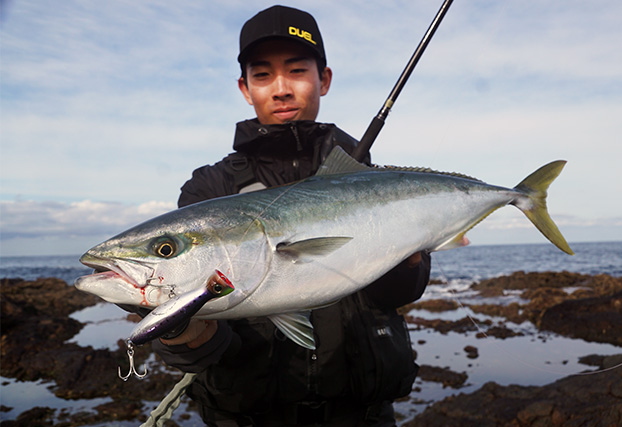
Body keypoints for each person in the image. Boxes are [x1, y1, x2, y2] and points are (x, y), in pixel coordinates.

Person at [152, 6, 431, 426]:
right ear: (245, 89)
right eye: (263, 75)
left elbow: (397, 296)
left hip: (363, 415)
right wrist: (180, 331)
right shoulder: (209, 191)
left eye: (297, 70)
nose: (281, 89)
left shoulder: (376, 181)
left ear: (325, 79)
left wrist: (408, 259)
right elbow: (208, 345)